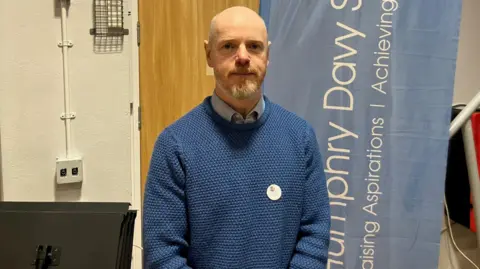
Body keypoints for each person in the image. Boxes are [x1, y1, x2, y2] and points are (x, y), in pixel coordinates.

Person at [143, 6, 331, 269]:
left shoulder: (300, 138)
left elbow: (314, 236)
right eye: (229, 46)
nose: (242, 57)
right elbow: (163, 255)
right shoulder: (175, 145)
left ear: (267, 54)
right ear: (208, 54)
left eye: (254, 47)